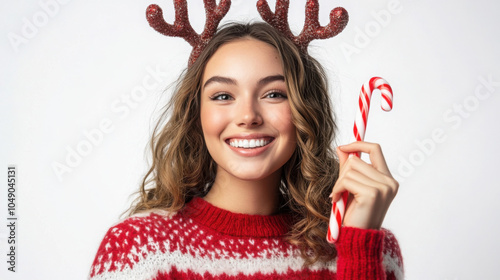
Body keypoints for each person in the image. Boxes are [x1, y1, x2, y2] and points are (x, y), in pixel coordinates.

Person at [88, 22, 403, 279]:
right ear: (195, 114)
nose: (248, 116)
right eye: (223, 96)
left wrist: (360, 245)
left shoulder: (372, 246)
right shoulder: (138, 248)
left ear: (305, 112)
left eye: (274, 94)